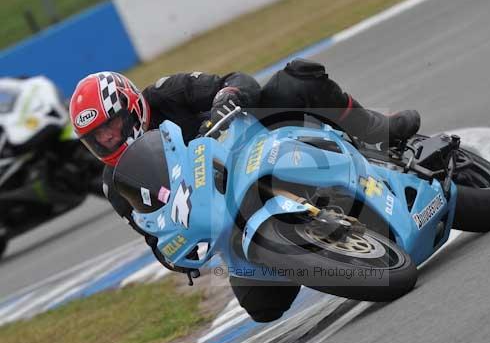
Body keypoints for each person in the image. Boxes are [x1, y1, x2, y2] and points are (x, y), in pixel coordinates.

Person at [69, 59, 421, 322]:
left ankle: (380, 132)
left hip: (258, 142)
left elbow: (234, 81)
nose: (108, 139)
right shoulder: (116, 184)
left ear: (131, 107)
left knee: (295, 79)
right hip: (229, 214)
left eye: (111, 126)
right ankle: (314, 246)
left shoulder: (166, 94)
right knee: (262, 307)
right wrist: (178, 254)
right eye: (96, 138)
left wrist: (227, 96)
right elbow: (154, 234)